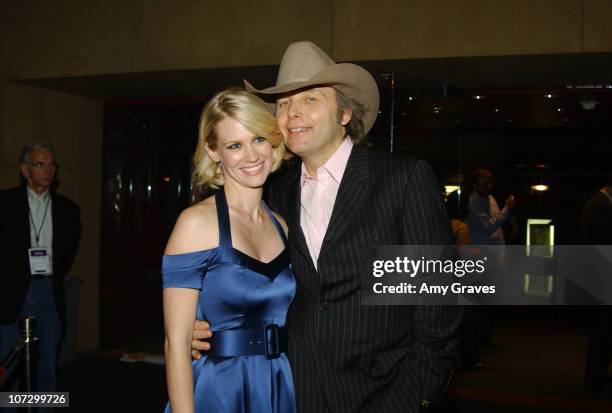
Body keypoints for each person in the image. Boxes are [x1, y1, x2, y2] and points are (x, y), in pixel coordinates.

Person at [193, 41, 462, 412]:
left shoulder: (403, 178)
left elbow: (439, 298)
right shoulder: (274, 192)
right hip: (296, 390)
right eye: (284, 104)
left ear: (345, 114)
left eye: (310, 100)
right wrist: (205, 326)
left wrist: (418, 392)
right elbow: (248, 279)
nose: (292, 114)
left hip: (385, 394)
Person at [162, 87, 296, 412]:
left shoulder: (281, 225)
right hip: (219, 389)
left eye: (259, 139)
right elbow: (176, 344)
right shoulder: (195, 224)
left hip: (278, 382)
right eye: (235, 145)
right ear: (213, 152)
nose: (252, 156)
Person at [0, 142, 80, 398]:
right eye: (40, 164)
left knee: (47, 365)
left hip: (48, 291)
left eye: (52, 165)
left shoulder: (68, 209)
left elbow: (67, 253)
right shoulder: (4, 204)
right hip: (13, 292)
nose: (48, 170)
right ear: (25, 170)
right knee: (8, 364)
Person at [581, 184, 612, 396]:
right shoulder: (602, 207)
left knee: (602, 332)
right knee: (603, 332)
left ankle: (597, 378)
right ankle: (595, 382)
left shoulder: (596, 203)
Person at [466, 168, 515, 245]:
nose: (488, 187)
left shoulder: (491, 198)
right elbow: (488, 227)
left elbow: (497, 226)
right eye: (484, 184)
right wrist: (507, 208)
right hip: (484, 252)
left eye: (489, 183)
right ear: (474, 185)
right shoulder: (472, 203)